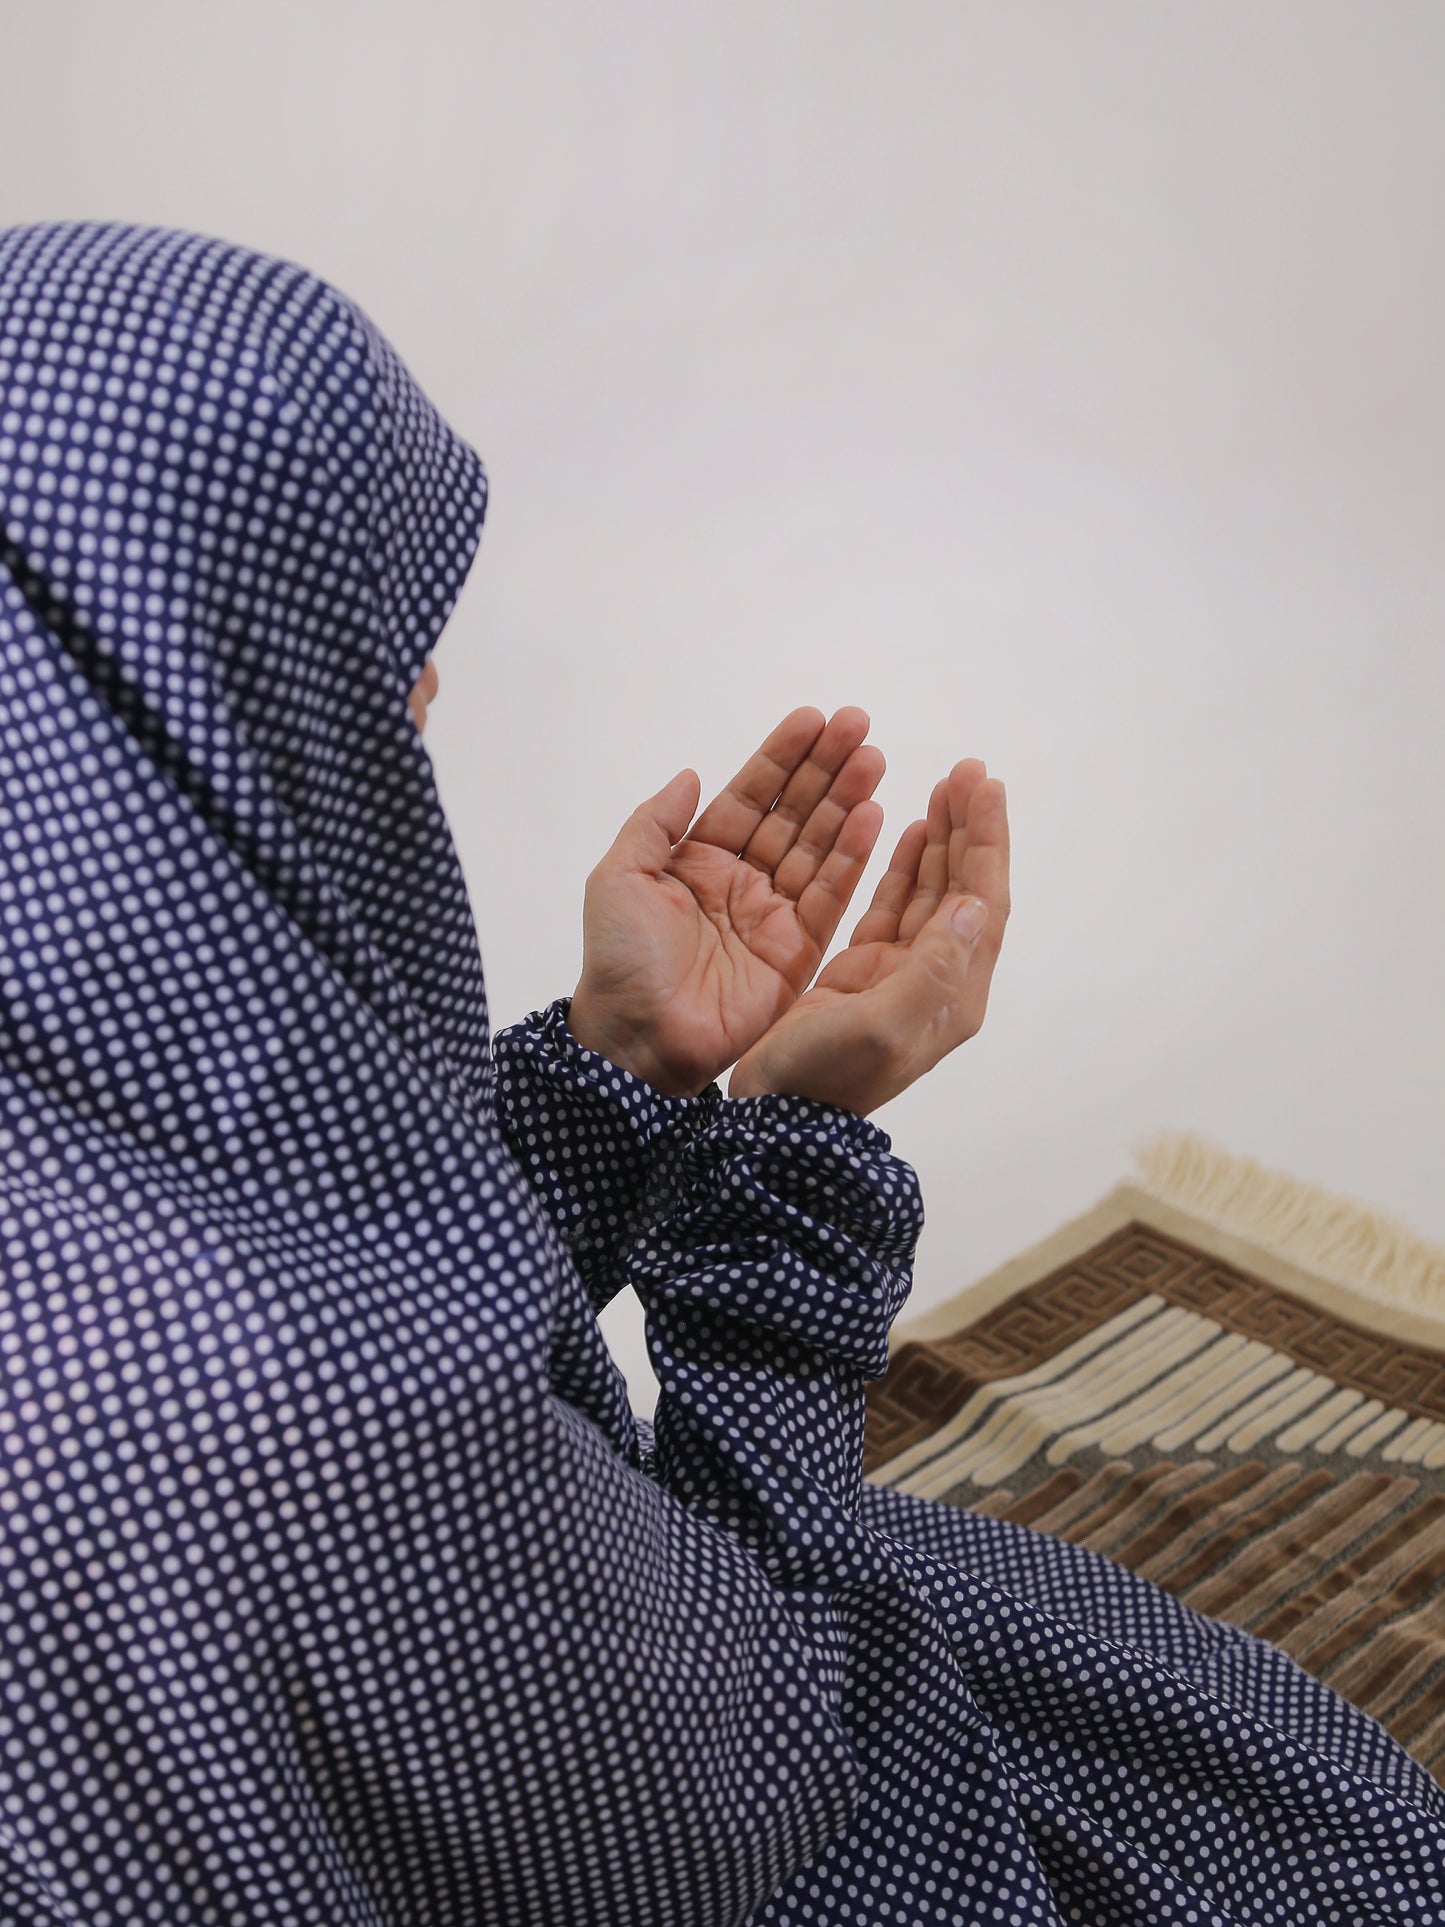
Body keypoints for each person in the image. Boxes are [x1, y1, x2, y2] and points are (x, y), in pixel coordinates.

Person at [0, 219, 1440, 1927]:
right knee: (1232, 1794)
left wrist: (620, 1062)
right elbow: (746, 1786)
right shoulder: (287, 1419)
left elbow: (314, 1239)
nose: (425, 681)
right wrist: (792, 1153)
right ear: (168, 673)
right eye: (344, 625)